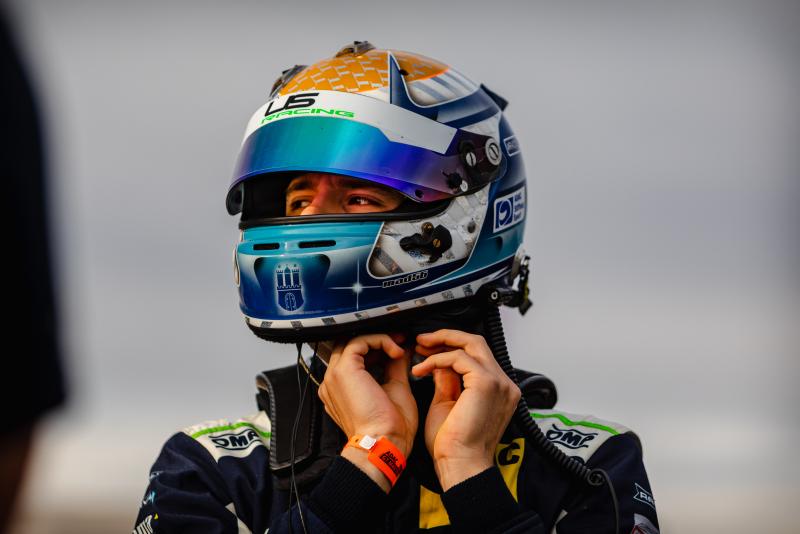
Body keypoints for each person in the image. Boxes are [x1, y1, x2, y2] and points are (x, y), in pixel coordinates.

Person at [133, 42, 660, 534]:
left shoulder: (591, 461)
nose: (308, 219)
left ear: (465, 212)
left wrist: (471, 476)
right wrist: (366, 463)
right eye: (298, 201)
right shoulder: (210, 467)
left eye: (358, 198)